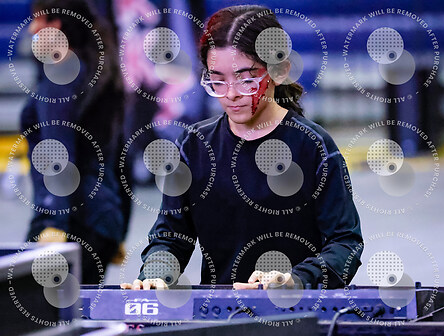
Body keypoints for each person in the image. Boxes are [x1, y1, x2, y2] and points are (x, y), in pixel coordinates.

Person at [122, 5, 363, 291]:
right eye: (218, 81)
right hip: (219, 312)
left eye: (247, 80)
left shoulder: (313, 146)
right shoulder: (194, 146)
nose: (232, 94)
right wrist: (156, 274)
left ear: (279, 70)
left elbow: (345, 243)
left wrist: (297, 279)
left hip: (298, 310)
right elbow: (170, 237)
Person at [21, 0, 130, 283]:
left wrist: (52, 221)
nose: (32, 29)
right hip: (103, 223)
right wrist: (118, 228)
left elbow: (57, 154)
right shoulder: (101, 72)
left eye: (37, 20)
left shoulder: (60, 74)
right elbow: (122, 159)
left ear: (55, 25)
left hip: (70, 223)